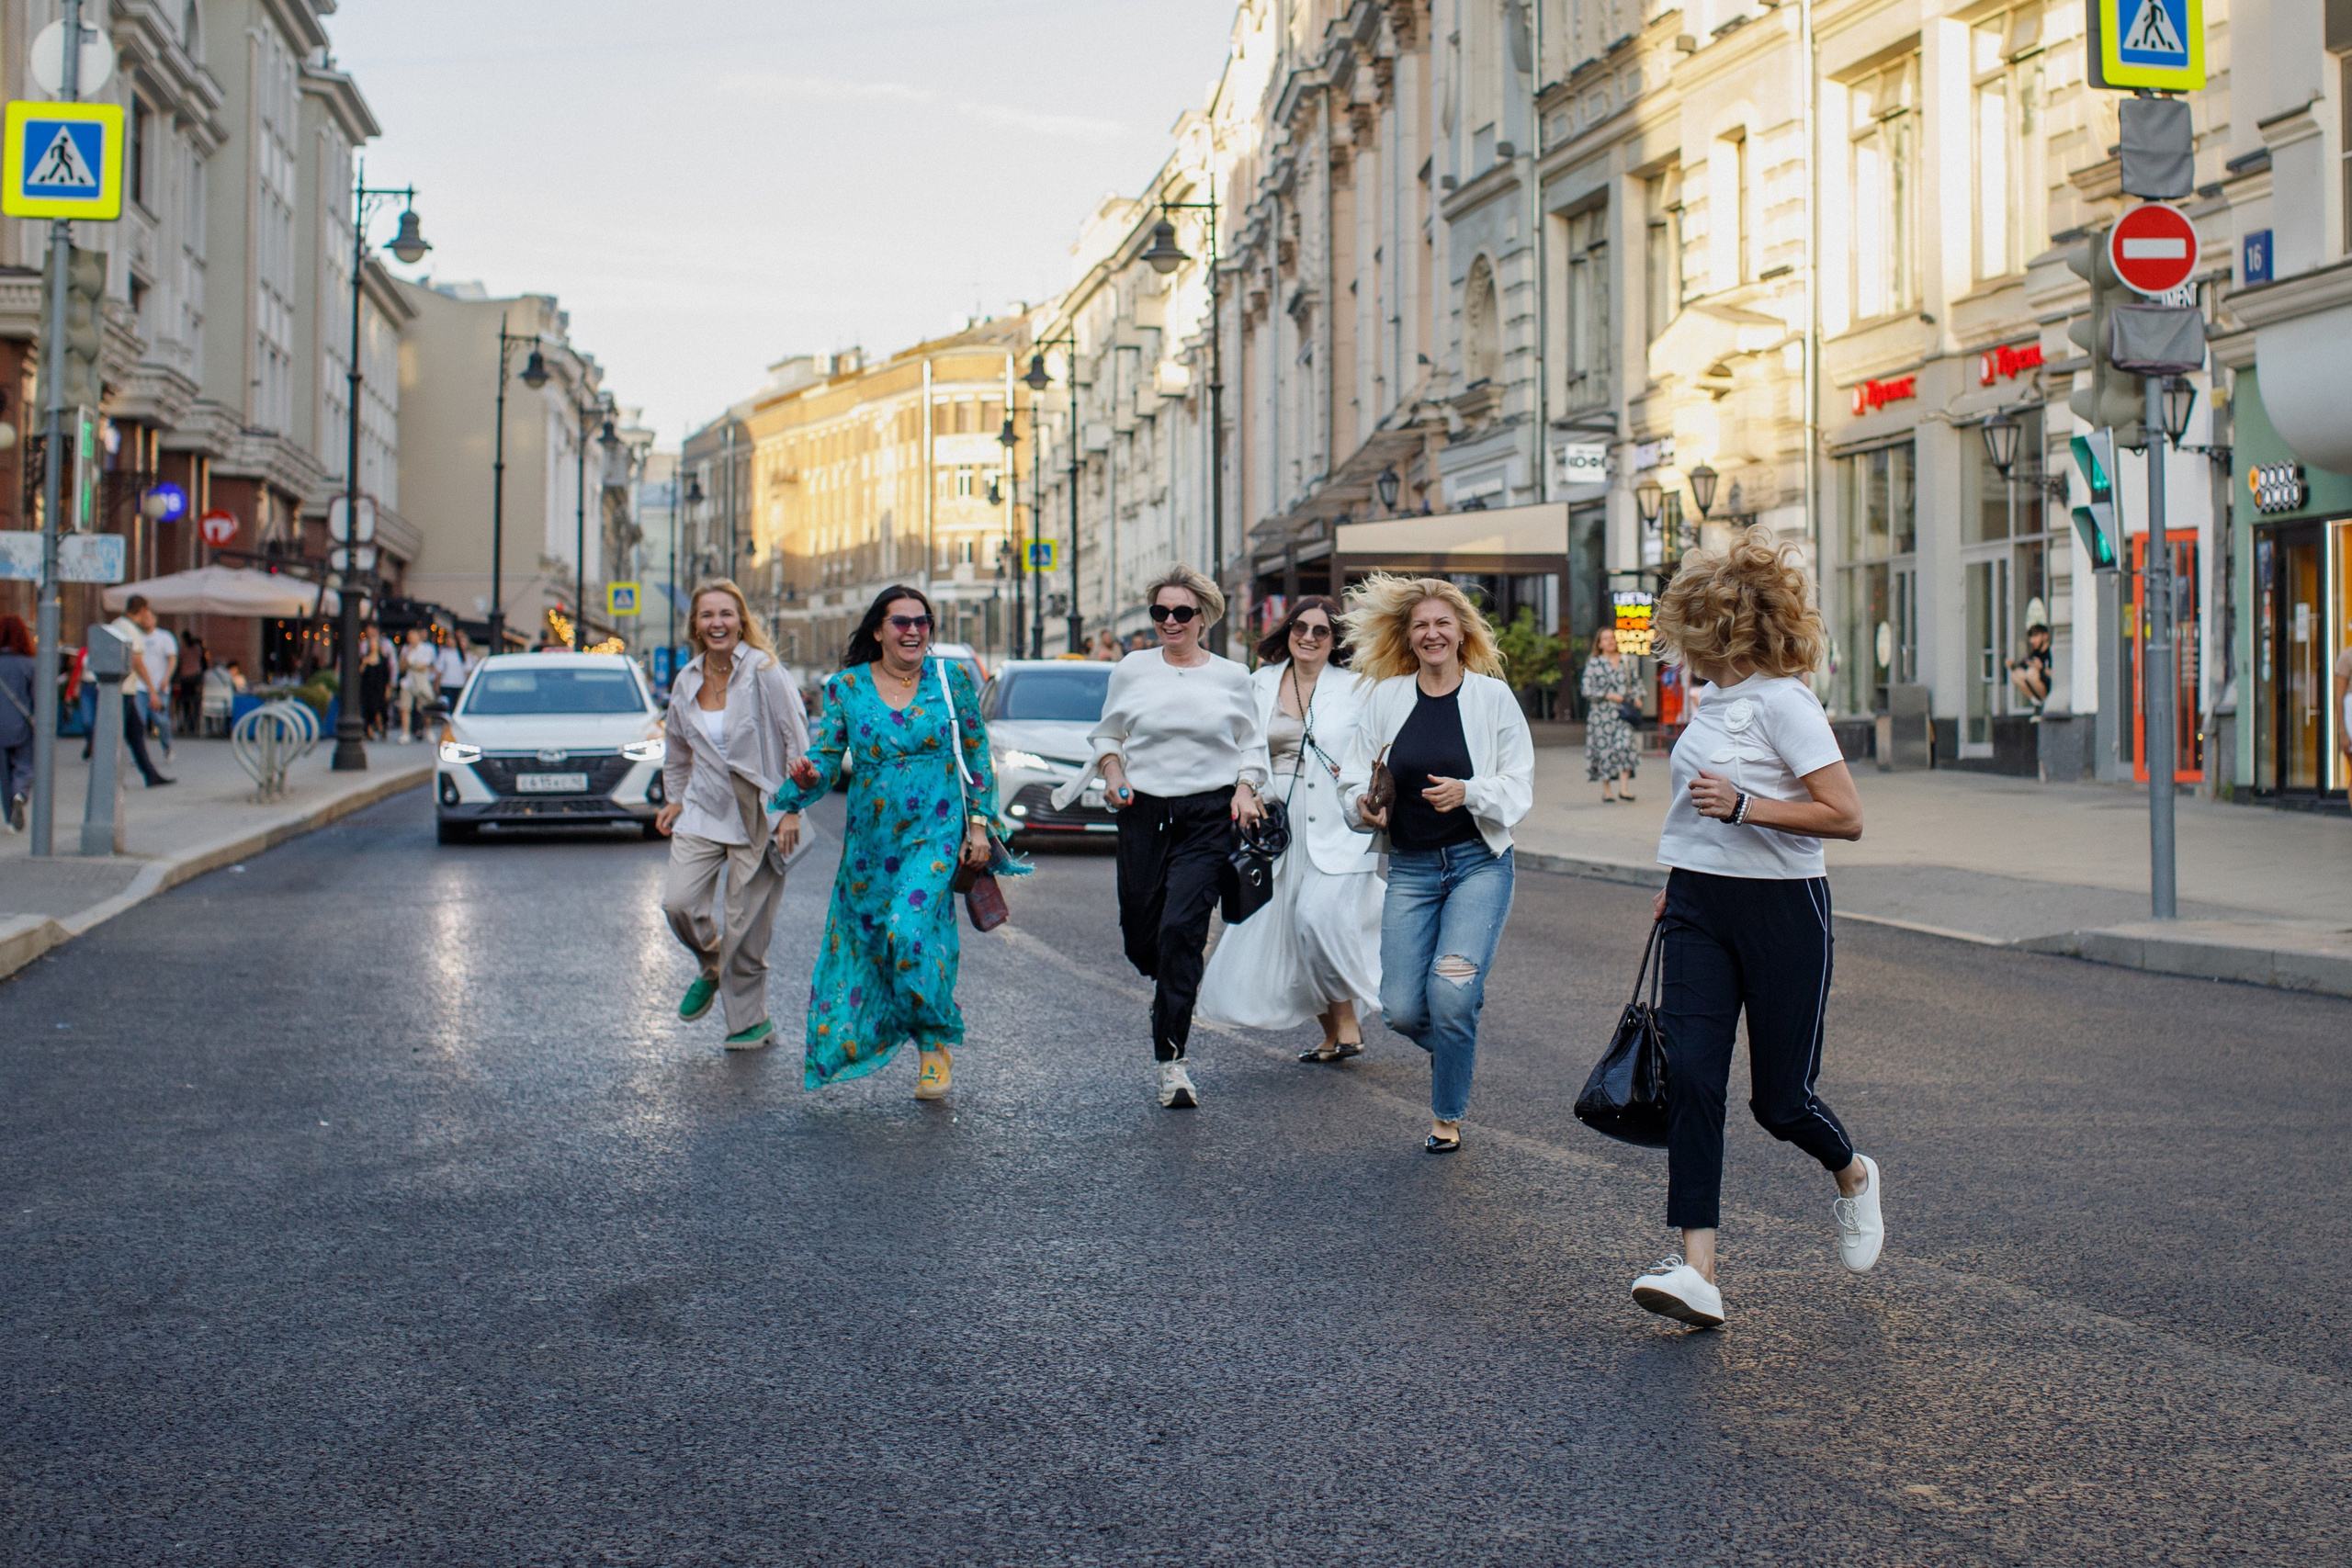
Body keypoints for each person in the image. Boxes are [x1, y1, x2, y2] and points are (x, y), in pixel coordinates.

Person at [1628, 525, 1882, 1332]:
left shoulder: (1786, 702)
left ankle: (1852, 1175)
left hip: (1782, 908)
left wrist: (1747, 806)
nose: (1678, 647)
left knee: (1780, 1101)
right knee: (1694, 1079)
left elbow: (1845, 816)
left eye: (1686, 630)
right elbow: (1689, 811)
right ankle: (1698, 1270)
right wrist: (1678, 886)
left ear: (1719, 628)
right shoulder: (1710, 704)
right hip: (1699, 905)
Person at [773, 584, 1012, 1098]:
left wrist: (979, 827)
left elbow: (977, 756)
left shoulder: (951, 681)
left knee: (907, 933)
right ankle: (923, 1025)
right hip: (870, 846)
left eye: (922, 621)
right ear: (878, 630)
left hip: (937, 833)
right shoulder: (847, 688)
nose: (912, 631)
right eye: (900, 622)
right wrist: (806, 779)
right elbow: (826, 755)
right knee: (875, 948)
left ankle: (933, 1041)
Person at [1054, 566, 1269, 1109]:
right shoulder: (1131, 669)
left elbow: (1252, 746)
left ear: (1204, 619)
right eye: (1160, 613)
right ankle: (1167, 982)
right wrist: (1113, 774)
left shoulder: (1231, 676)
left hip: (1207, 816)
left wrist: (1246, 789)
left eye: (1181, 613)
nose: (1169, 622)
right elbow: (1109, 733)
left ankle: (1173, 1061)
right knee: (1142, 934)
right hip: (1142, 813)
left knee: (1182, 931)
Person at [1339, 578, 1534, 1153]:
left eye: (1443, 623)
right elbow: (1354, 777)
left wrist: (1468, 793)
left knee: (1451, 995)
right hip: (1413, 870)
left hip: (1479, 864)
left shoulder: (1493, 698)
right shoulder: (1386, 697)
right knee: (1399, 1008)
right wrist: (1361, 806)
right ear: (1408, 636)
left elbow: (1519, 786)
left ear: (1461, 632)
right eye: (1421, 625)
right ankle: (1455, 1042)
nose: (1432, 633)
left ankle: (1446, 1116)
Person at [1198, 595, 1383, 1060]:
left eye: (1321, 631)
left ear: (1333, 640)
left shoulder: (1357, 687)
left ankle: (1350, 1019)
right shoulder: (1257, 684)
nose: (1309, 637)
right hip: (1275, 822)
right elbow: (1237, 744)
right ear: (1287, 631)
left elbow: (1379, 746)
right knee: (1289, 930)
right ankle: (1335, 1032)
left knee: (1316, 920)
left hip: (1336, 822)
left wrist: (1362, 782)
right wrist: (1244, 788)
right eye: (1301, 627)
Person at [655, 580, 810, 1051]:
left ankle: (749, 1021)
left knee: (746, 924)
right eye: (707, 615)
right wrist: (675, 798)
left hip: (758, 811)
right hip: (703, 808)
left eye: (726, 614)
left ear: (741, 621)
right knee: (678, 904)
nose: (717, 623)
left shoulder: (764, 671)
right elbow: (678, 747)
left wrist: (791, 810)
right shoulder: (686, 680)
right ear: (695, 625)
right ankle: (712, 961)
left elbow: (797, 741)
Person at [92, 598, 171, 787]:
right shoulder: (130, 630)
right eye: (147, 612)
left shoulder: (117, 624)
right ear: (142, 610)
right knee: (117, 735)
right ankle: (109, 779)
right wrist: (152, 690)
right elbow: (137, 661)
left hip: (119, 688)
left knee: (135, 732)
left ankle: (150, 774)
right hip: (123, 690)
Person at [1581, 626, 1642, 803]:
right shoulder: (1593, 663)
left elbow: (1636, 681)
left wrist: (1637, 697)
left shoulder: (1625, 660)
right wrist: (1607, 695)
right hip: (1601, 715)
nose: (1610, 642)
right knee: (1604, 750)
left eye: (1612, 638)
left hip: (1623, 712)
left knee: (1625, 745)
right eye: (1605, 639)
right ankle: (1607, 791)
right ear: (1599, 644)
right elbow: (1586, 689)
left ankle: (1624, 789)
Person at [0, 614, 36, 830]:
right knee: (25, 764)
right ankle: (20, 793)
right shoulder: (30, 664)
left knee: (3, 773)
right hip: (23, 724)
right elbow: (39, 696)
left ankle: (10, 817)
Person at [394, 628, 437, 742]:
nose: (410, 639)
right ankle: (406, 733)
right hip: (408, 682)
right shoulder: (406, 649)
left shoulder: (427, 648)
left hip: (422, 681)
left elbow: (424, 666)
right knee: (405, 707)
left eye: (412, 636)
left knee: (425, 708)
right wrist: (408, 656)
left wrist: (411, 663)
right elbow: (402, 667)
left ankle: (428, 730)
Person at [2007, 621, 2053, 712]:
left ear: (2045, 636)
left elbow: (2056, 676)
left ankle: (2046, 704)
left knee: (2031, 672)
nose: (2032, 640)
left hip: (2050, 687)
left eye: (2036, 636)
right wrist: (2012, 666)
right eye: (2031, 637)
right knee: (2015, 674)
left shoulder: (2051, 651)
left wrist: (2042, 668)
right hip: (2037, 686)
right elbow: (2022, 666)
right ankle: (2036, 702)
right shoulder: (2035, 653)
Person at [358, 627, 392, 740]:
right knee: (369, 709)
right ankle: (369, 731)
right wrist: (364, 663)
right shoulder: (364, 658)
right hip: (368, 688)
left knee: (379, 709)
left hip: (379, 688)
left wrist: (388, 688)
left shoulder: (383, 659)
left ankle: (381, 728)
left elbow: (386, 675)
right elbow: (360, 673)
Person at [172, 634, 207, 738]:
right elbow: (202, 660)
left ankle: (186, 722)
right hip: (196, 677)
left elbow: (179, 662)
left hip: (185, 678)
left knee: (185, 701)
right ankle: (195, 724)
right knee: (196, 702)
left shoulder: (183, 649)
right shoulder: (197, 648)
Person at [435, 630, 473, 713]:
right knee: (448, 706)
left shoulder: (464, 654)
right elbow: (440, 670)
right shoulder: (444, 653)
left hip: (460, 683)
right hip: (446, 683)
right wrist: (437, 684)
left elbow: (468, 671)